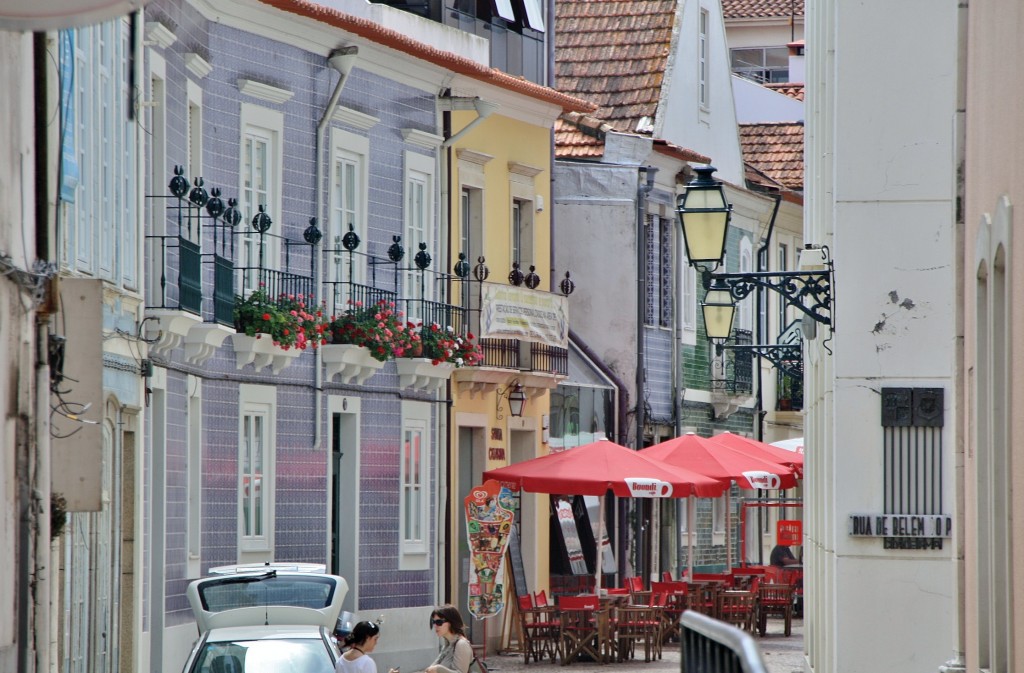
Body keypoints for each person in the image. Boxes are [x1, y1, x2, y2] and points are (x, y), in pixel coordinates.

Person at [424, 605, 473, 673]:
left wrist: (438, 669)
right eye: (434, 622)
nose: (435, 626)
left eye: (439, 622)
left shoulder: (461, 644)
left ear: (451, 622)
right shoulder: (447, 645)